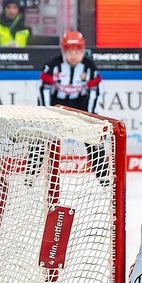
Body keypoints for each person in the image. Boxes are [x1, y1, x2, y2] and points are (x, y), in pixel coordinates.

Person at [38, 30, 105, 181]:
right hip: (56, 104)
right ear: (63, 51)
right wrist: (47, 113)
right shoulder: (52, 65)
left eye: (77, 51)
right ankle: (31, 175)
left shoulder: (89, 67)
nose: (73, 56)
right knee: (40, 135)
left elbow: (96, 91)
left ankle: (104, 178)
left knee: (94, 138)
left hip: (80, 103)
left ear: (82, 51)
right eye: (69, 52)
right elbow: (42, 90)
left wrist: (92, 114)